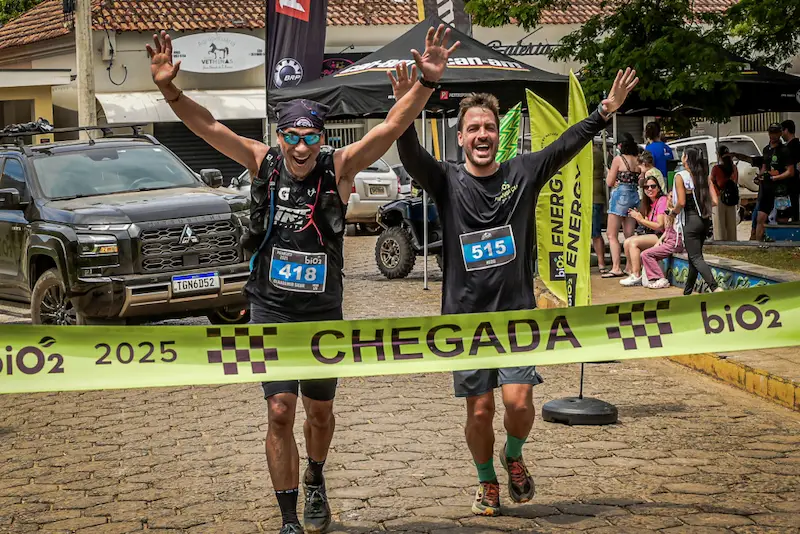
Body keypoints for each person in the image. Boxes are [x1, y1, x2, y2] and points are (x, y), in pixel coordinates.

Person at [146, 26, 460, 534]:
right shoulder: (262, 162)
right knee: (278, 411)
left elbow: (388, 128)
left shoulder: (337, 168)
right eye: (291, 136)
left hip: (320, 311)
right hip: (270, 308)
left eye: (310, 137)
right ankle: (289, 517)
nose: (300, 147)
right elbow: (206, 126)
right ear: (279, 137)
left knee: (318, 412)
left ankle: (315, 476)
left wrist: (425, 81)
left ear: (321, 138)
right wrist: (168, 89)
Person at [392, 63, 638, 516]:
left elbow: (566, 145)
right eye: (472, 129)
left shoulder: (522, 173)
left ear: (496, 133)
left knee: (519, 404)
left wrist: (605, 110)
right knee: (480, 410)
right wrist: (409, 102)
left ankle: (513, 455)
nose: (481, 134)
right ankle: (487, 481)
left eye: (488, 126)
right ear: (460, 138)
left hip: (516, 317)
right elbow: (407, 152)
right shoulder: (446, 181)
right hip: (465, 322)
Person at [669, 147, 721, 294]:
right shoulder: (704, 176)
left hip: (690, 221)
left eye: (683, 155)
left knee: (696, 257)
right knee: (694, 258)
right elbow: (715, 201)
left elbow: (681, 202)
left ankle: (714, 287)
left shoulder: (681, 176)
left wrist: (672, 213)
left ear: (686, 158)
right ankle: (688, 292)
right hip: (704, 221)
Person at [602, 132, 641, 278]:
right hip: (634, 195)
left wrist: (609, 175)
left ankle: (616, 267)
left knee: (612, 234)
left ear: (620, 145)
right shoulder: (637, 160)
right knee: (629, 235)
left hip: (620, 196)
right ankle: (630, 267)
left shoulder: (618, 159)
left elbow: (609, 182)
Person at [620, 175, 668, 287]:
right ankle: (633, 272)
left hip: (662, 236)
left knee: (633, 242)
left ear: (659, 187)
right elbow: (648, 225)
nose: (650, 189)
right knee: (627, 241)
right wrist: (638, 218)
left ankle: (636, 275)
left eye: (653, 186)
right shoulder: (648, 204)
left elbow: (660, 226)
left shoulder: (662, 200)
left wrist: (640, 219)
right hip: (652, 234)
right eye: (646, 187)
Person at [755, 123, 795, 241]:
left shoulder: (784, 150)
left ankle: (781, 245)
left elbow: (790, 171)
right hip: (766, 189)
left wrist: (775, 178)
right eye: (771, 132)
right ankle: (758, 245)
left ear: (780, 133)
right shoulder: (766, 149)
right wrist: (760, 176)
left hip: (781, 190)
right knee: (760, 218)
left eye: (775, 132)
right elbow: (764, 167)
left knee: (782, 220)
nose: (772, 135)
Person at [641, 193, 684, 289]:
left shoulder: (678, 213)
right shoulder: (667, 212)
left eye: (674, 196)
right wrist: (660, 240)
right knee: (649, 252)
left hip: (674, 244)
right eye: (670, 196)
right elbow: (667, 230)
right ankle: (653, 277)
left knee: (646, 254)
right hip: (668, 242)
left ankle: (660, 278)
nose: (671, 199)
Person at [710, 146, 739, 242]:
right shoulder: (734, 168)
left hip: (719, 198)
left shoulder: (716, 169)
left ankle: (721, 244)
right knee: (731, 225)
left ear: (719, 155)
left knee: (719, 225)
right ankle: (733, 242)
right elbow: (735, 182)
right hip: (732, 198)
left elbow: (712, 182)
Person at [592, 142, 609, 273]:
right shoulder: (598, 152)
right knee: (596, 232)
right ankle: (601, 263)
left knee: (595, 233)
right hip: (596, 195)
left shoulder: (592, 153)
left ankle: (601, 262)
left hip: (591, 195)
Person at [781, 119, 800, 221]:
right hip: (796, 184)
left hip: (790, 185)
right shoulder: (798, 145)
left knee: (789, 215)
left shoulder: (789, 148)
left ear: (786, 130)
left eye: (781, 131)